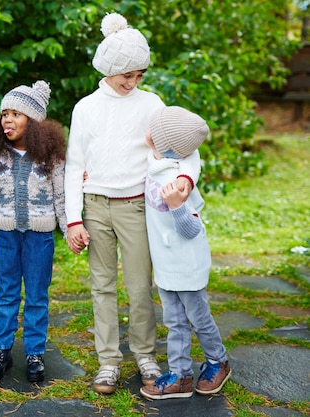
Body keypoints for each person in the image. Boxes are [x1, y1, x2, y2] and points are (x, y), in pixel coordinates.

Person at [64, 13, 201, 394]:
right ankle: (108, 361)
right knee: (101, 286)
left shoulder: (152, 103)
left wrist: (185, 178)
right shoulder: (85, 108)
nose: (133, 82)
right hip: (95, 207)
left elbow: (183, 146)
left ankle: (145, 355)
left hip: (137, 207)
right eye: (127, 75)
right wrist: (74, 220)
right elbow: (74, 165)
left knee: (140, 286)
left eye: (139, 75)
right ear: (108, 68)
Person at [0, 81, 67, 384]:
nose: (7, 119)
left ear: (33, 121)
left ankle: (34, 352)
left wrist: (72, 228)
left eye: (16, 114)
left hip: (39, 236)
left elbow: (61, 197)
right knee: (5, 293)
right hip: (5, 235)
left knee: (36, 294)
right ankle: (1, 350)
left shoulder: (52, 159)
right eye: (4, 114)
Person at [139, 106, 231, 400]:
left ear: (163, 142)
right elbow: (190, 156)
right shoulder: (158, 161)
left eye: (154, 126)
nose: (148, 127)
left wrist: (178, 205)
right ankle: (180, 375)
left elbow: (191, 229)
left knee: (198, 318)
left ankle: (219, 362)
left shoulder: (177, 181)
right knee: (174, 321)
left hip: (187, 264)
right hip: (166, 263)